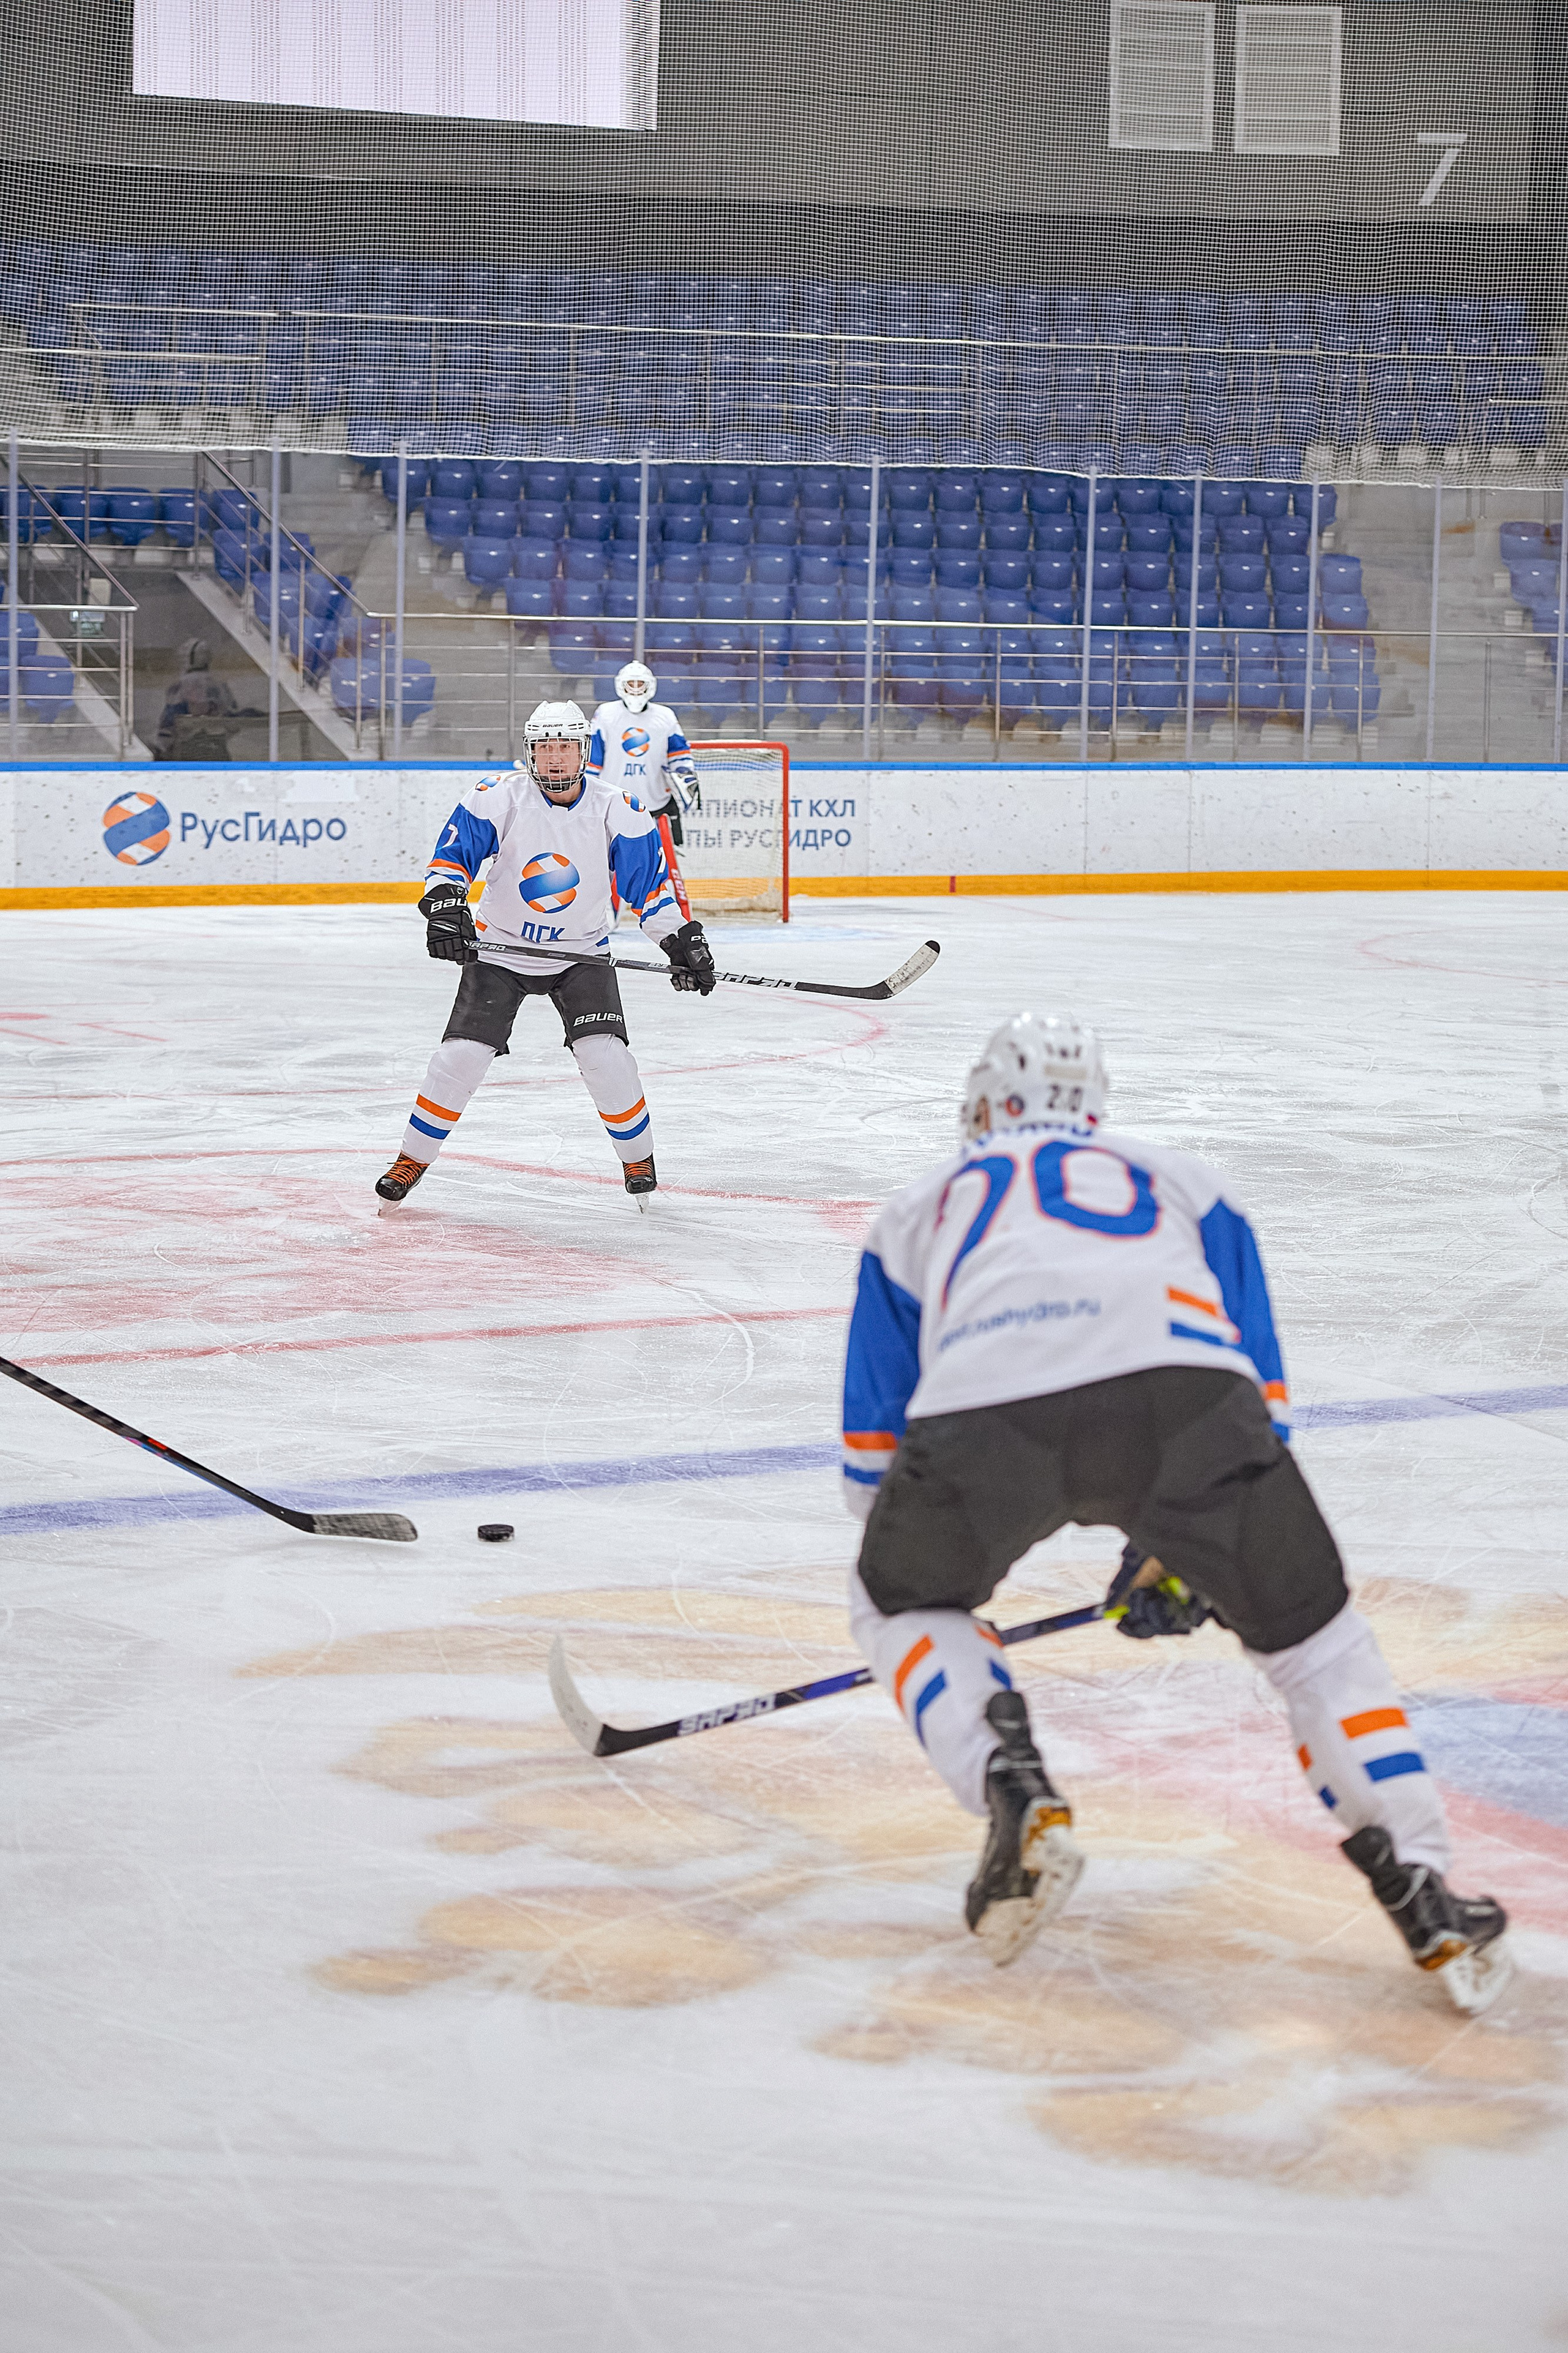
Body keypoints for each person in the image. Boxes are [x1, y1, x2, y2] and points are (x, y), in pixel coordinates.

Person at [840, 1011, 1510, 2012]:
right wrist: (1180, 1548)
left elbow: (871, 1477)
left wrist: (928, 1584)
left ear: (984, 1103)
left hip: (984, 1405)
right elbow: (1263, 1408)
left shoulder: (917, 1207)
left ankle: (1011, 1785)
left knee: (895, 1601)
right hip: (1190, 1401)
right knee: (1317, 1645)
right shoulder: (1186, 1181)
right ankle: (1423, 1885)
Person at [375, 699, 716, 1209]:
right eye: (544, 748)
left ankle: (638, 1160)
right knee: (460, 1057)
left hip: (580, 955)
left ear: (583, 751)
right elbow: (450, 864)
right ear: (530, 753)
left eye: (565, 747)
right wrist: (446, 910)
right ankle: (411, 1160)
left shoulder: (618, 807)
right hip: (500, 949)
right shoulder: (496, 797)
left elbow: (651, 892)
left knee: (607, 1059)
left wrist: (681, 942)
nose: (555, 758)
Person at [153, 638, 260, 761]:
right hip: (188, 761)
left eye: (202, 687)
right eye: (194, 687)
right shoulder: (178, 699)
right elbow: (164, 737)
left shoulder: (218, 689)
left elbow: (234, 720)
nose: (201, 693)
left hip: (216, 756)